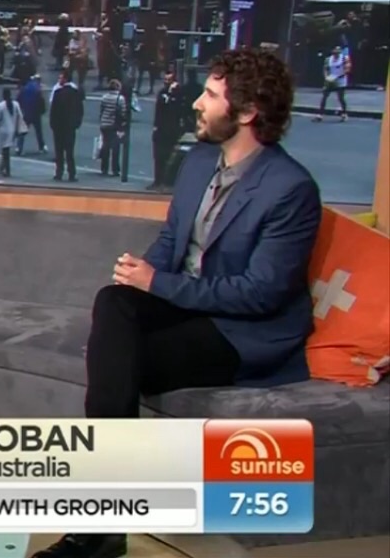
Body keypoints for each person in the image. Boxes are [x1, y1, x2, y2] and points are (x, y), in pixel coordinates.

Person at [33, 48, 321, 558]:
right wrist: (140, 278)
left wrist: (156, 284)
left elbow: (259, 293)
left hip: (240, 331)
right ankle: (107, 521)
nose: (196, 103)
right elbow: (171, 243)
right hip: (188, 304)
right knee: (114, 304)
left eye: (210, 95)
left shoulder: (290, 189)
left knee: (114, 363)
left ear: (247, 112)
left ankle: (98, 526)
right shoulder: (199, 161)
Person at [48, 71, 83, 182]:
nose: (59, 80)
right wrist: (77, 123)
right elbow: (80, 110)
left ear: (65, 79)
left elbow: (53, 111)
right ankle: (72, 173)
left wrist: (52, 124)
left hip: (58, 127)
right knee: (69, 151)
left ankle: (59, 172)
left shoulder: (57, 93)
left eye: (61, 78)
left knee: (59, 151)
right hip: (70, 127)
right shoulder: (75, 93)